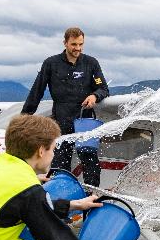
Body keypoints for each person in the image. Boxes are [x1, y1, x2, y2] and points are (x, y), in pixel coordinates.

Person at [20, 27, 110, 186]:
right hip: (60, 121)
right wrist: (24, 117)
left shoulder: (91, 63)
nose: (78, 48)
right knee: (59, 165)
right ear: (65, 43)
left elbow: (103, 88)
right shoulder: (51, 63)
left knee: (91, 164)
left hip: (85, 122)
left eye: (81, 44)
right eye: (74, 44)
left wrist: (95, 96)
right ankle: (61, 200)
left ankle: (92, 197)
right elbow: (37, 91)